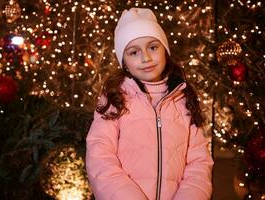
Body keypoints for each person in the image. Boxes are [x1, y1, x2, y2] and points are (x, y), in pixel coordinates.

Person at [86, 7, 213, 200]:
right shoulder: (114, 99)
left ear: (165, 50)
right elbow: (100, 157)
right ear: (124, 61)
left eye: (153, 47)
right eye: (134, 52)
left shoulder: (183, 99)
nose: (145, 58)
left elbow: (199, 162)